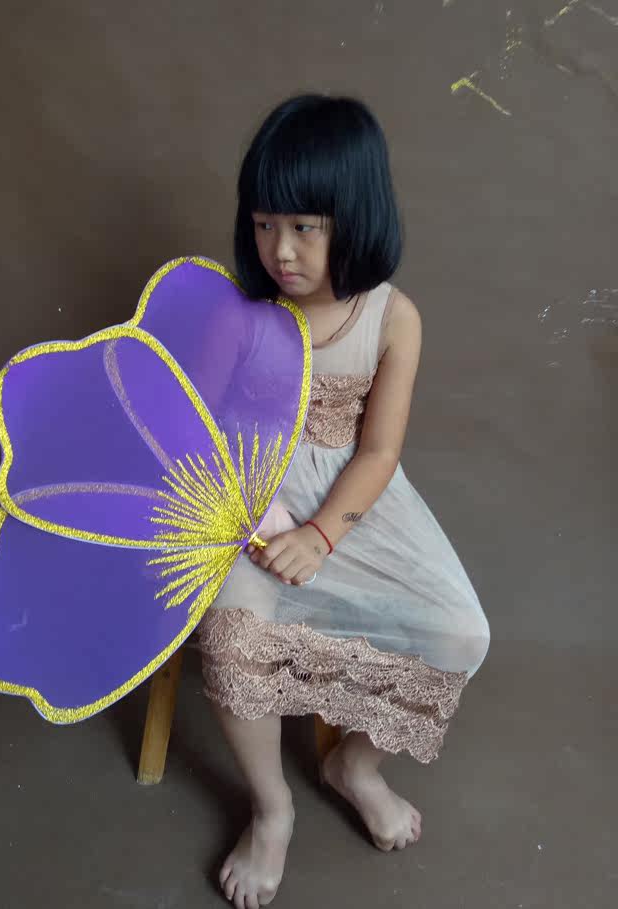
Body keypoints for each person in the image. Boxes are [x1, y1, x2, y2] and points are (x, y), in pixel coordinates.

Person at [196, 94, 490, 909]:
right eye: (264, 224)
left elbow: (380, 452)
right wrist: (256, 516)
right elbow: (204, 432)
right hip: (252, 506)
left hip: (352, 502)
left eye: (305, 226)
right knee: (231, 633)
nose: (281, 250)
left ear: (357, 217)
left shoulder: (393, 318)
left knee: (460, 629)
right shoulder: (242, 314)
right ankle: (272, 806)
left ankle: (353, 765)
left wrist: (324, 533)